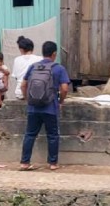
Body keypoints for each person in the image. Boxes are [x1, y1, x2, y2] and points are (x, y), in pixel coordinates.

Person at [19, 41, 70, 171]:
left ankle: (24, 162)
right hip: (50, 108)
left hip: (33, 108)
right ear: (54, 54)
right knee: (52, 135)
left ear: (43, 52)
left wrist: (28, 99)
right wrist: (60, 102)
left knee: (30, 134)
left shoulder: (33, 67)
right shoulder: (59, 68)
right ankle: (52, 163)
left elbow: (23, 85)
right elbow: (64, 88)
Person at [11, 36, 42, 100]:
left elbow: (16, 77)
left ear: (21, 49)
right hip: (36, 92)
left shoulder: (17, 60)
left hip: (20, 93)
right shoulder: (40, 59)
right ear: (32, 48)